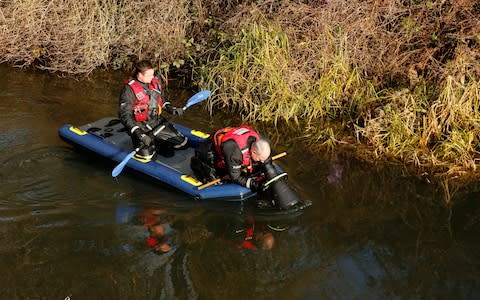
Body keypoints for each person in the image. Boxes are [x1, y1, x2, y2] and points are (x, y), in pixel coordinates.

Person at [118, 60, 188, 160]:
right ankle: (146, 145)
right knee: (147, 157)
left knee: (182, 143)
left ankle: (158, 142)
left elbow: (162, 100)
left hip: (155, 122)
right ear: (139, 74)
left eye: (152, 74)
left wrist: (171, 109)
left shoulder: (154, 82)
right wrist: (138, 133)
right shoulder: (128, 90)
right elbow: (124, 115)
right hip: (140, 126)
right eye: (149, 75)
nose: (152, 78)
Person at [191, 125, 272, 191]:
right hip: (209, 153)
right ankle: (197, 165)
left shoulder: (259, 140)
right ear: (253, 152)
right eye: (260, 159)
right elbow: (235, 176)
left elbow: (265, 158)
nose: (262, 161)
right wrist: (253, 184)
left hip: (229, 146)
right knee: (214, 182)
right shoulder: (235, 152)